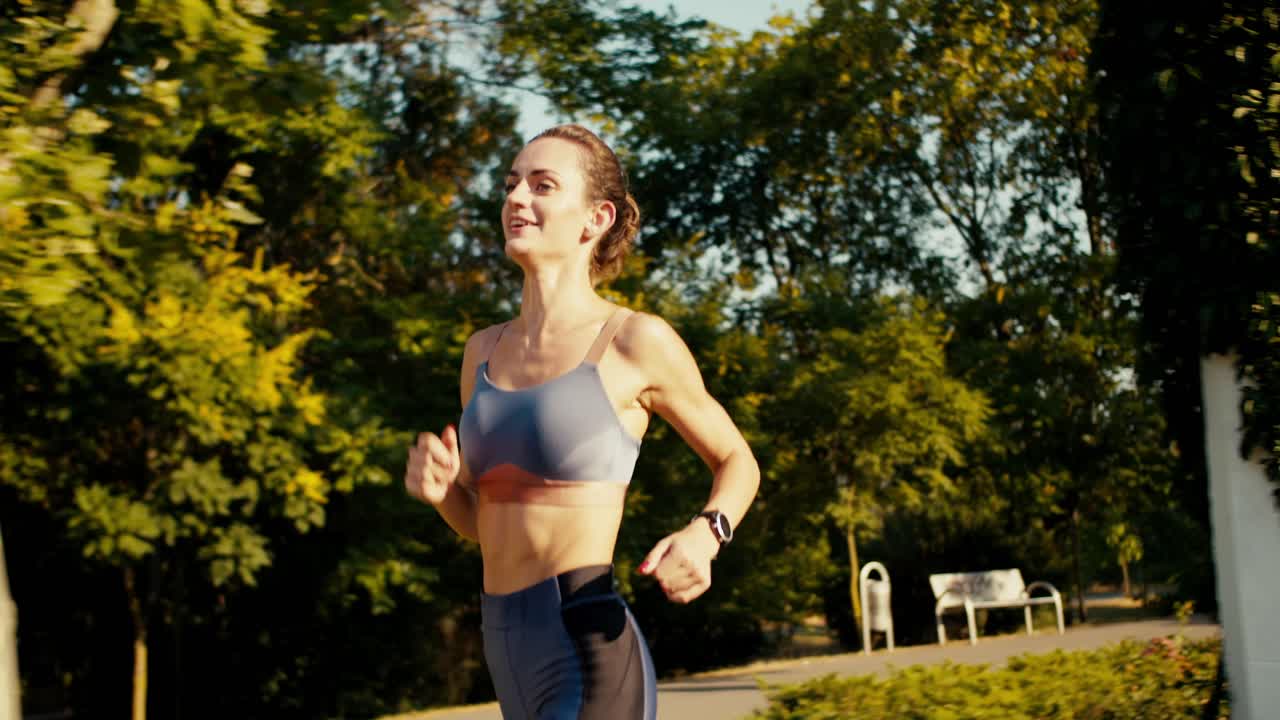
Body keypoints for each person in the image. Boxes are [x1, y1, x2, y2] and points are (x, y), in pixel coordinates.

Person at [404, 124, 760, 720]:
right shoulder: (481, 354)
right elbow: (479, 523)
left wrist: (707, 533)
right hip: (507, 647)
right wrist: (442, 494)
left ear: (595, 219)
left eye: (543, 186)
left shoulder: (632, 342)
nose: (517, 198)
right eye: (512, 183)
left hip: (586, 643)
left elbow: (737, 460)